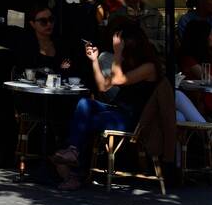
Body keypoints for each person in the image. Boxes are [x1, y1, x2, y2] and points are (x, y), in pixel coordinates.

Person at [50, 21, 164, 191]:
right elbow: (103, 87)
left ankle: (74, 169)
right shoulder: (126, 63)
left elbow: (118, 80)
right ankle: (73, 151)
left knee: (93, 120)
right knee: (84, 104)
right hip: (118, 110)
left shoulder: (149, 66)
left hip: (134, 119)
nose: (119, 47)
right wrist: (95, 61)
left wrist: (117, 53)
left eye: (121, 42)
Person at [17, 6, 76, 77]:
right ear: (32, 24)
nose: (49, 24)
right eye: (43, 21)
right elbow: (23, 70)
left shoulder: (61, 44)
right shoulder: (25, 45)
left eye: (51, 19)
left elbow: (68, 68)